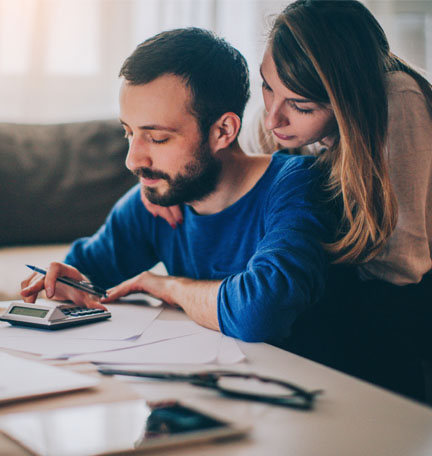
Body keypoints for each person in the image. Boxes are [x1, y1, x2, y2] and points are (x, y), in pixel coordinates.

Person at [141, 1, 432, 402]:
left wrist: (278, 277)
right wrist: (164, 180)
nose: (272, 118)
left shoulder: (397, 99)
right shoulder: (279, 117)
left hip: (400, 298)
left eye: (301, 106)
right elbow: (230, 168)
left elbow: (402, 265)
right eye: (267, 85)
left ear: (349, 102)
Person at [21, 28, 334, 350]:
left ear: (223, 131)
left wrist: (168, 287)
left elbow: (260, 313)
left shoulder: (297, 186)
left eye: (157, 138)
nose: (132, 160)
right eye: (129, 132)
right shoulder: (157, 199)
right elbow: (87, 274)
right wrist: (63, 279)